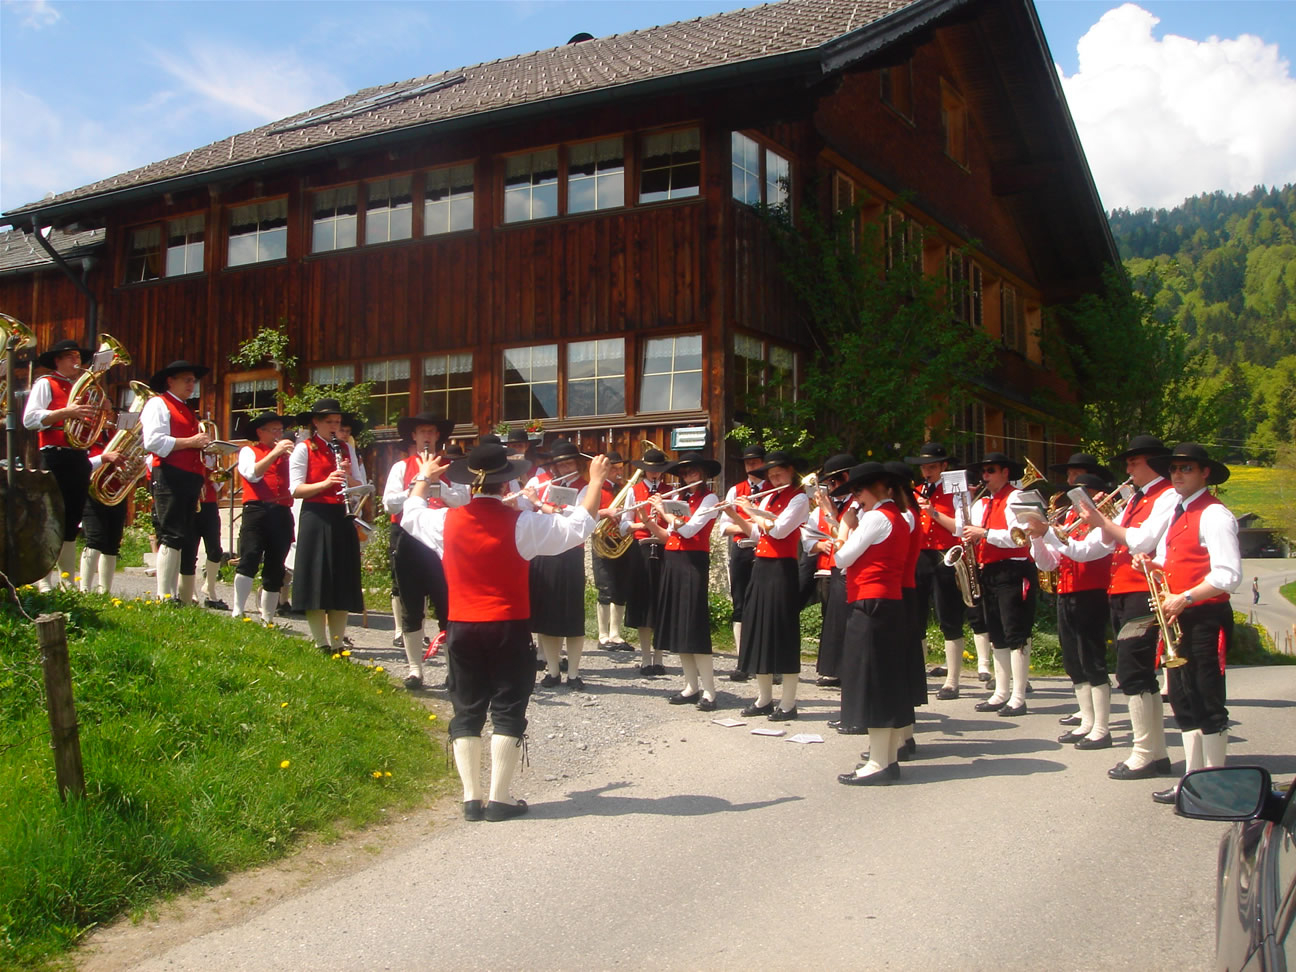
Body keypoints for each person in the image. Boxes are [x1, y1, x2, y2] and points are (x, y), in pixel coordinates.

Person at [400, 442, 611, 821]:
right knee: (508, 708)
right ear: (505, 484)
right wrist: (595, 481)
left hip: (462, 626)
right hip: (508, 626)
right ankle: (499, 798)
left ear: (471, 484)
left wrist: (424, 477)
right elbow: (579, 526)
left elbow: (411, 514)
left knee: (466, 708)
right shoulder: (523, 523)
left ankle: (471, 798)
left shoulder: (445, 521)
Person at [1118, 444, 1240, 804]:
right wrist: (1152, 566)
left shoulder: (1215, 514)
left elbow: (1228, 575)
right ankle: (1192, 780)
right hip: (1180, 615)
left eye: (1186, 468)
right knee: (1184, 700)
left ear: (1205, 473)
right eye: (1173, 469)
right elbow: (1174, 561)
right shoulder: (1178, 511)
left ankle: (1214, 785)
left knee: (1207, 698)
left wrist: (1184, 597)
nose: (1177, 475)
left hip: (1204, 616)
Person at [1069, 435, 1176, 780]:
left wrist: (1102, 521)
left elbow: (1142, 541)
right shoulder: (1136, 499)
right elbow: (1099, 547)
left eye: (1133, 461)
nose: (1127, 469)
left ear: (1154, 462)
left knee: (1132, 671)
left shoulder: (1167, 495)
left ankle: (1143, 752)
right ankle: (1156, 752)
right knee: (1137, 671)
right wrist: (1056, 534)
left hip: (1143, 590)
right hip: (1121, 590)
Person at [833, 462, 914, 785]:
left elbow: (842, 558)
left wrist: (843, 530)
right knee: (884, 679)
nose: (856, 499)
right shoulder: (897, 516)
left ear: (878, 489)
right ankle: (887, 758)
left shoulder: (878, 517)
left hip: (871, 603)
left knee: (872, 681)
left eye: (859, 491)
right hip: (887, 602)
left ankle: (879, 762)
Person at [1028, 472, 1114, 749]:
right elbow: (1048, 563)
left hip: (1092, 593)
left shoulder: (1103, 522)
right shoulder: (1070, 519)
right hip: (1066, 592)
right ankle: (1087, 721)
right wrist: (1037, 538)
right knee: (1073, 661)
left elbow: (1083, 552)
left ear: (1097, 494)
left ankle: (1101, 727)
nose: (1075, 500)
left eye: (1083, 493)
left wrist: (1049, 533)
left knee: (1092, 659)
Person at [383, 411, 458, 687]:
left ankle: (453, 671)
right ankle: (415, 669)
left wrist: (439, 487)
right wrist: (417, 486)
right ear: (413, 436)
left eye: (431, 431)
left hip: (441, 538)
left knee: (448, 606)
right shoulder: (401, 467)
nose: (427, 436)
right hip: (408, 538)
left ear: (438, 436)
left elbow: (463, 500)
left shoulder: (451, 467)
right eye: (422, 431)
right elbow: (389, 504)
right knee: (411, 605)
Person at [733, 450, 810, 720]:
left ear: (791, 472)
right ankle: (764, 698)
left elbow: (778, 530)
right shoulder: (768, 497)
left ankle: (788, 703)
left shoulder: (799, 498)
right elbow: (757, 532)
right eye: (771, 475)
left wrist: (751, 510)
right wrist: (736, 515)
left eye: (779, 474)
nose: (775, 479)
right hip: (761, 567)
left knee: (783, 633)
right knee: (758, 630)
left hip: (782, 569)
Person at [645, 451, 722, 710]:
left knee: (694, 627)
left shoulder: (709, 498)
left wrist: (662, 510)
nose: (689, 476)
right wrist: (649, 522)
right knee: (680, 627)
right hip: (673, 561)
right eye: (685, 472)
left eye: (693, 471)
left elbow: (689, 530)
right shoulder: (679, 498)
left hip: (693, 564)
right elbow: (670, 536)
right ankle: (691, 686)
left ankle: (709, 691)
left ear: (703, 474)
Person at [907, 442, 984, 699]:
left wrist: (933, 512)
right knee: (916, 616)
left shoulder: (957, 490)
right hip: (921, 556)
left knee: (948, 616)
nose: (927, 472)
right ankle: (917, 674)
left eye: (932, 467)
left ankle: (952, 680)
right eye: (924, 468)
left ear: (943, 467)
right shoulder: (917, 490)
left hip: (946, 555)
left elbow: (961, 528)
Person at [964, 452, 1038, 717]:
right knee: (996, 634)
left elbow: (1020, 537)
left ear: (1005, 472)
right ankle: (1001, 692)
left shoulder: (1017, 498)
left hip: (1013, 569)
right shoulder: (986, 502)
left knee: (1015, 632)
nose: (985, 476)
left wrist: (984, 533)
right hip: (991, 571)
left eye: (991, 470)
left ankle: (1018, 696)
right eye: (983, 471)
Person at [289, 398, 365, 652]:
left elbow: (359, 486)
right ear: (316, 422)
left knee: (341, 578)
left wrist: (348, 476)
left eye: (338, 422)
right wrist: (326, 482)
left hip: (341, 515)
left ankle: (337, 642)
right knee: (316, 578)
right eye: (329, 422)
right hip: (316, 515)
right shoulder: (304, 449)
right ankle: (320, 642)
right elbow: (296, 489)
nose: (335, 427)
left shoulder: (345, 448)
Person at [22, 338, 97, 590]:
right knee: (51, 516)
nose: (77, 361)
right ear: (58, 360)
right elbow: (30, 419)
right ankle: (43, 580)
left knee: (72, 519)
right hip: (54, 455)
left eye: (78, 356)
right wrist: (65, 412)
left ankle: (67, 581)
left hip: (78, 455)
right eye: (71, 356)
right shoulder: (46, 383)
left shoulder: (80, 388)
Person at [140, 360, 212, 603]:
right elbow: (153, 442)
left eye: (193, 381)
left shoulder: (187, 409)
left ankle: (174, 594)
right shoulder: (158, 403)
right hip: (169, 474)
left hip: (188, 476)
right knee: (171, 534)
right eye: (186, 380)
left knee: (182, 535)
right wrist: (191, 442)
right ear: (170, 381)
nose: (192, 385)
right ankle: (164, 594)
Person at [525, 439, 594, 689]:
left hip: (570, 555)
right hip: (545, 553)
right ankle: (552, 671)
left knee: (572, 617)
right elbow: (529, 514)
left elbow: (574, 517)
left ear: (577, 464)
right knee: (547, 617)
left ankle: (573, 673)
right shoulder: (544, 484)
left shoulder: (586, 488)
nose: (564, 469)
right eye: (560, 465)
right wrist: (523, 502)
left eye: (569, 464)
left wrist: (539, 504)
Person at [232, 412, 297, 623]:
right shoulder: (248, 451)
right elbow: (252, 474)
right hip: (257, 509)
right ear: (260, 432)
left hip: (282, 511)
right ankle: (238, 610)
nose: (279, 434)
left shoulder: (289, 456)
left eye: (281, 430)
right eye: (275, 430)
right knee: (250, 556)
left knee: (276, 563)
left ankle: (268, 616)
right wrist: (275, 453)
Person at [884, 460, 926, 757]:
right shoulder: (906, 513)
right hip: (903, 590)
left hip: (901, 591)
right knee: (901, 663)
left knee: (898, 664)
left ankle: (902, 738)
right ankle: (905, 736)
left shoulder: (904, 515)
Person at [622, 446, 674, 676]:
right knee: (643, 604)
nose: (655, 474)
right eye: (651, 470)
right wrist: (643, 523)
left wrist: (661, 514)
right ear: (644, 470)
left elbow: (676, 523)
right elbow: (624, 524)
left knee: (661, 603)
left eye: (659, 470)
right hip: (642, 549)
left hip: (664, 548)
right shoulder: (634, 491)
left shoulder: (671, 491)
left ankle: (659, 658)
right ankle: (645, 658)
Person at [718, 443, 768, 680]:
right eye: (748, 463)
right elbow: (724, 527)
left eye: (755, 462)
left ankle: (767, 661)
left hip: (765, 552)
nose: (751, 466)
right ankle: (742, 661)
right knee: (740, 603)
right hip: (741, 550)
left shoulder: (772, 490)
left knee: (765, 605)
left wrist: (750, 526)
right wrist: (749, 527)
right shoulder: (735, 491)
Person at [808, 454, 856, 693]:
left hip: (850, 567)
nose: (832, 488)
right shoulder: (837, 504)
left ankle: (848, 670)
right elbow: (809, 537)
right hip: (834, 567)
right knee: (833, 620)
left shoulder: (855, 505)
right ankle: (834, 669)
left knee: (847, 621)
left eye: (834, 482)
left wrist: (830, 514)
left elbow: (846, 539)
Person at [78, 418, 129, 594]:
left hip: (116, 492)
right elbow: (80, 465)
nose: (108, 417)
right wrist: (104, 458)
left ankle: (104, 591)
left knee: (112, 542)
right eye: (104, 413)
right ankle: (84, 589)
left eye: (110, 413)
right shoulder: (85, 435)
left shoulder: (117, 436)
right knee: (95, 539)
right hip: (93, 492)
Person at [591, 451, 633, 651]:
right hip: (602, 542)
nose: (619, 472)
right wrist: (606, 512)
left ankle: (616, 634)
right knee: (605, 588)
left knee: (621, 588)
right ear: (605, 470)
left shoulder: (626, 489)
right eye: (614, 469)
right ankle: (603, 635)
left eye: (620, 468)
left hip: (622, 542)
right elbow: (586, 512)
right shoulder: (596, 489)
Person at [185, 417, 228, 610]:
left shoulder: (212, 457)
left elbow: (218, 486)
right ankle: (190, 591)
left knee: (215, 549)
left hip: (210, 504)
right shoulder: (189, 455)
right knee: (190, 550)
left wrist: (217, 473)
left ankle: (209, 587)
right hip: (192, 503)